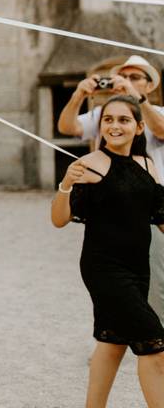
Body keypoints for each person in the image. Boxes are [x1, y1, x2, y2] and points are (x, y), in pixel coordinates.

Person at [52, 95, 164, 407]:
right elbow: (59, 220)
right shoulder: (88, 166)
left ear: (139, 127)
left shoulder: (147, 165)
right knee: (156, 346)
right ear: (101, 126)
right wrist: (65, 184)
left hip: (138, 270)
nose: (115, 125)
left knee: (112, 342)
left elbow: (161, 218)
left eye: (124, 120)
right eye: (108, 120)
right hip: (104, 270)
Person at [57, 55, 164, 323]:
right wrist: (79, 95)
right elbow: (67, 127)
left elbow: (160, 129)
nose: (127, 82)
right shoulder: (110, 114)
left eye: (135, 77)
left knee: (155, 282)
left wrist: (136, 100)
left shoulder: (156, 112)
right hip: (115, 208)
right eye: (123, 77)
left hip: (151, 205)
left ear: (150, 85)